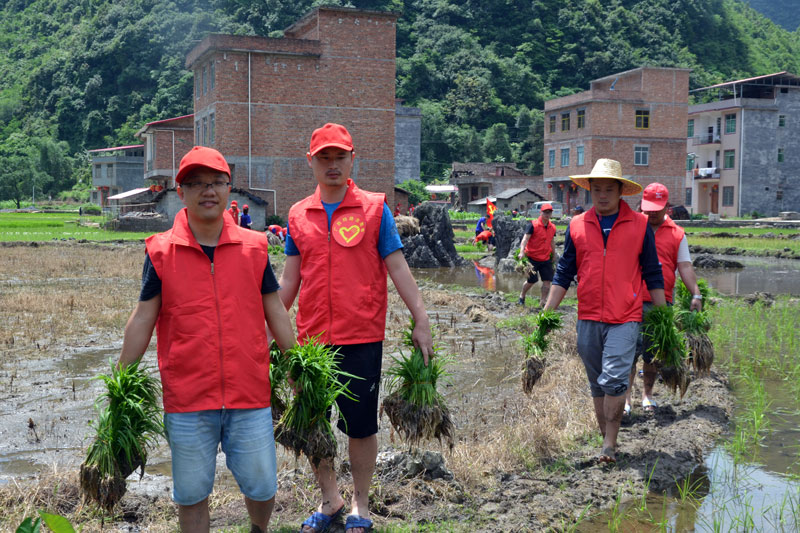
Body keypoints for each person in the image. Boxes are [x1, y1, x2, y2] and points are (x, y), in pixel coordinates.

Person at [117, 146, 296, 532]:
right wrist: (121, 380)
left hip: (249, 391)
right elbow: (144, 316)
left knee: (263, 485)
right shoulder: (161, 251)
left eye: (216, 182)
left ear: (229, 188)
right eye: (196, 183)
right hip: (188, 397)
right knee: (192, 493)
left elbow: (275, 310)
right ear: (180, 192)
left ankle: (259, 529)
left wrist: (296, 365)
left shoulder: (254, 246)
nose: (208, 191)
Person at [279, 123, 433, 533]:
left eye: (340, 156)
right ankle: (330, 500)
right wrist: (269, 330)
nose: (332, 165)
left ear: (352, 159)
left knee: (360, 426)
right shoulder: (298, 214)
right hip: (310, 342)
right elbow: (290, 280)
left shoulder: (374, 208)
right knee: (312, 424)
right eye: (324, 157)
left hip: (361, 336)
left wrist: (422, 319)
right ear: (310, 161)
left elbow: (397, 267)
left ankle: (359, 507)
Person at [543, 158, 665, 464]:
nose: (602, 195)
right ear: (589, 191)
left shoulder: (639, 226)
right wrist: (546, 313)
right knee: (597, 382)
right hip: (588, 316)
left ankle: (610, 444)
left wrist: (665, 319)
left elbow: (652, 272)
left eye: (609, 189)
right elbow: (563, 273)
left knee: (614, 380)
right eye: (596, 189)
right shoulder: (576, 226)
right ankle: (605, 441)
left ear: (621, 191)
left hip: (625, 316)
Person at [625, 182, 703, 416]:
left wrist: (695, 293)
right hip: (630, 299)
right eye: (647, 209)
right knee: (628, 351)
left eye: (656, 210)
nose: (650, 214)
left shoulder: (677, 234)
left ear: (667, 207)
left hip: (660, 302)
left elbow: (685, 266)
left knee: (652, 353)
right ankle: (626, 399)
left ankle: (647, 395)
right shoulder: (632, 227)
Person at [518, 203, 557, 307]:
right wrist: (522, 252)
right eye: (545, 212)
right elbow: (525, 239)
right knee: (532, 280)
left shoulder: (552, 227)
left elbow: (552, 241)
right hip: (532, 258)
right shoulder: (533, 225)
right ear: (541, 212)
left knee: (547, 281)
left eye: (549, 212)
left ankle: (543, 301)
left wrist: (554, 254)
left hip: (545, 258)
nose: (547, 214)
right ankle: (522, 295)